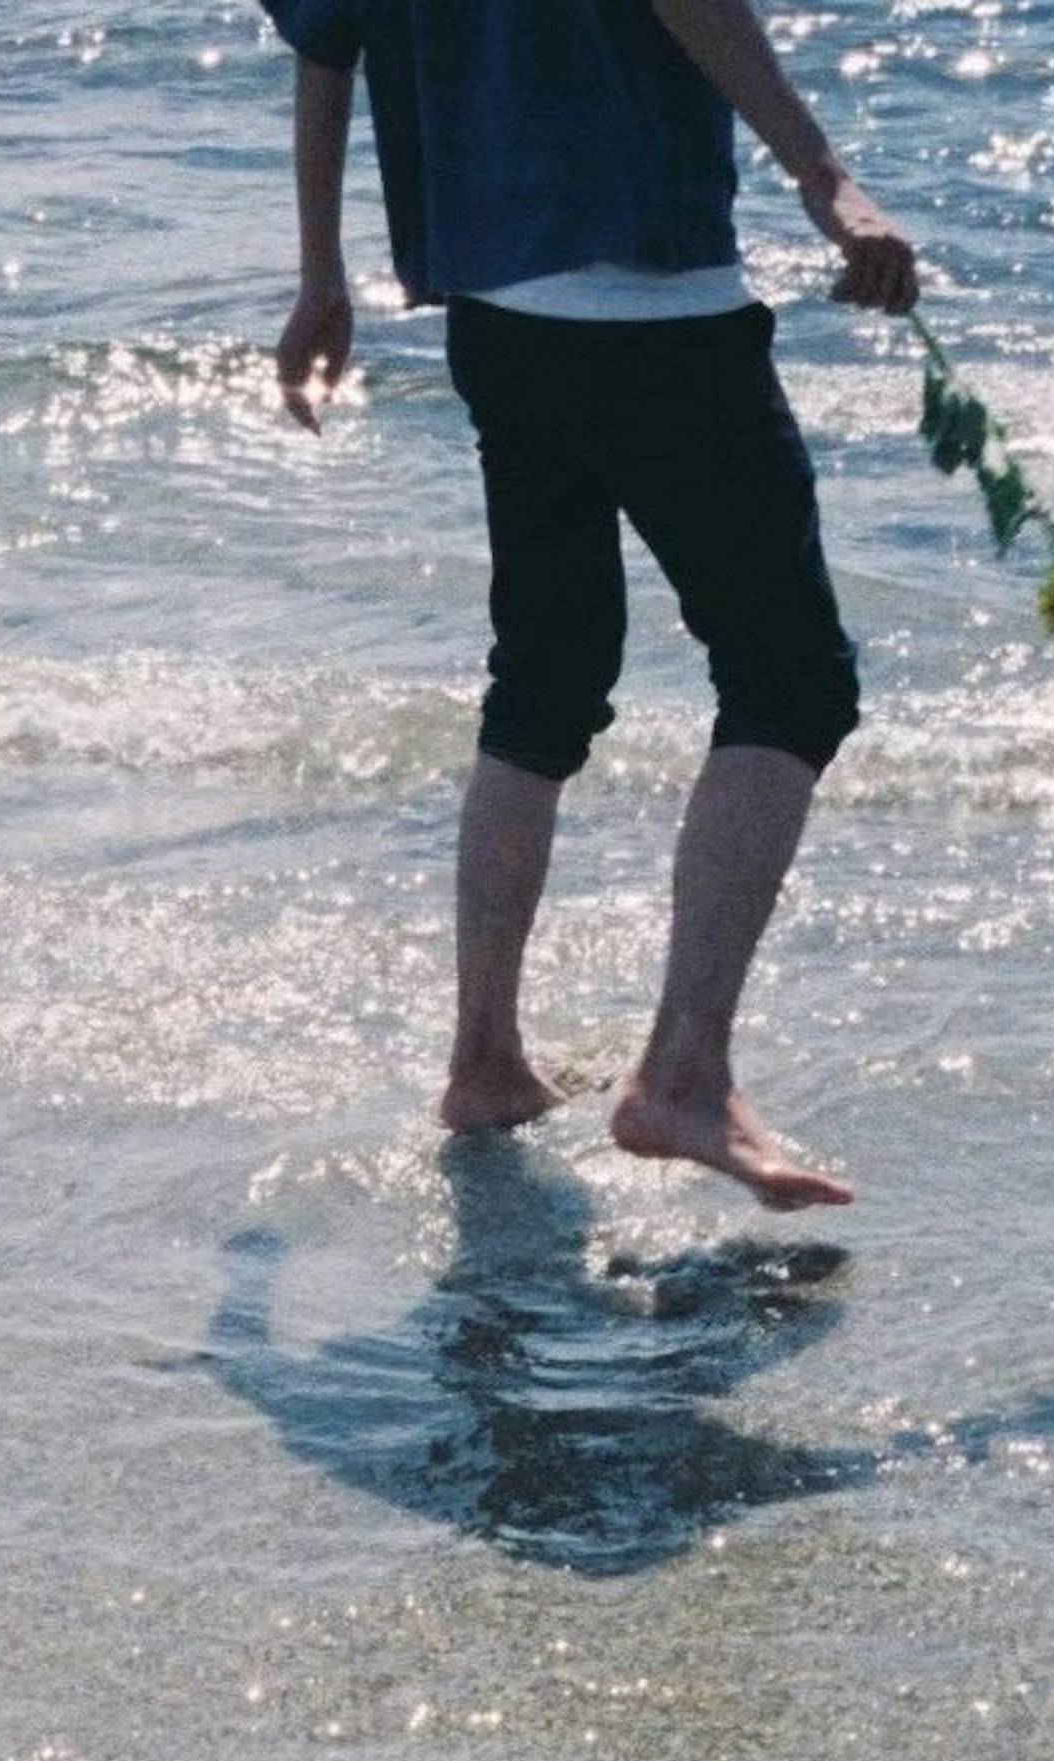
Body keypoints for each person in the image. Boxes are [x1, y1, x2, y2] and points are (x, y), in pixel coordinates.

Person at [261, 0, 919, 1211]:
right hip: (649, 298)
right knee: (792, 681)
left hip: (498, 310)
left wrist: (321, 278)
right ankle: (683, 1073)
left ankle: (486, 1061)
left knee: (549, 677)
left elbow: (324, 44)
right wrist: (829, 184)